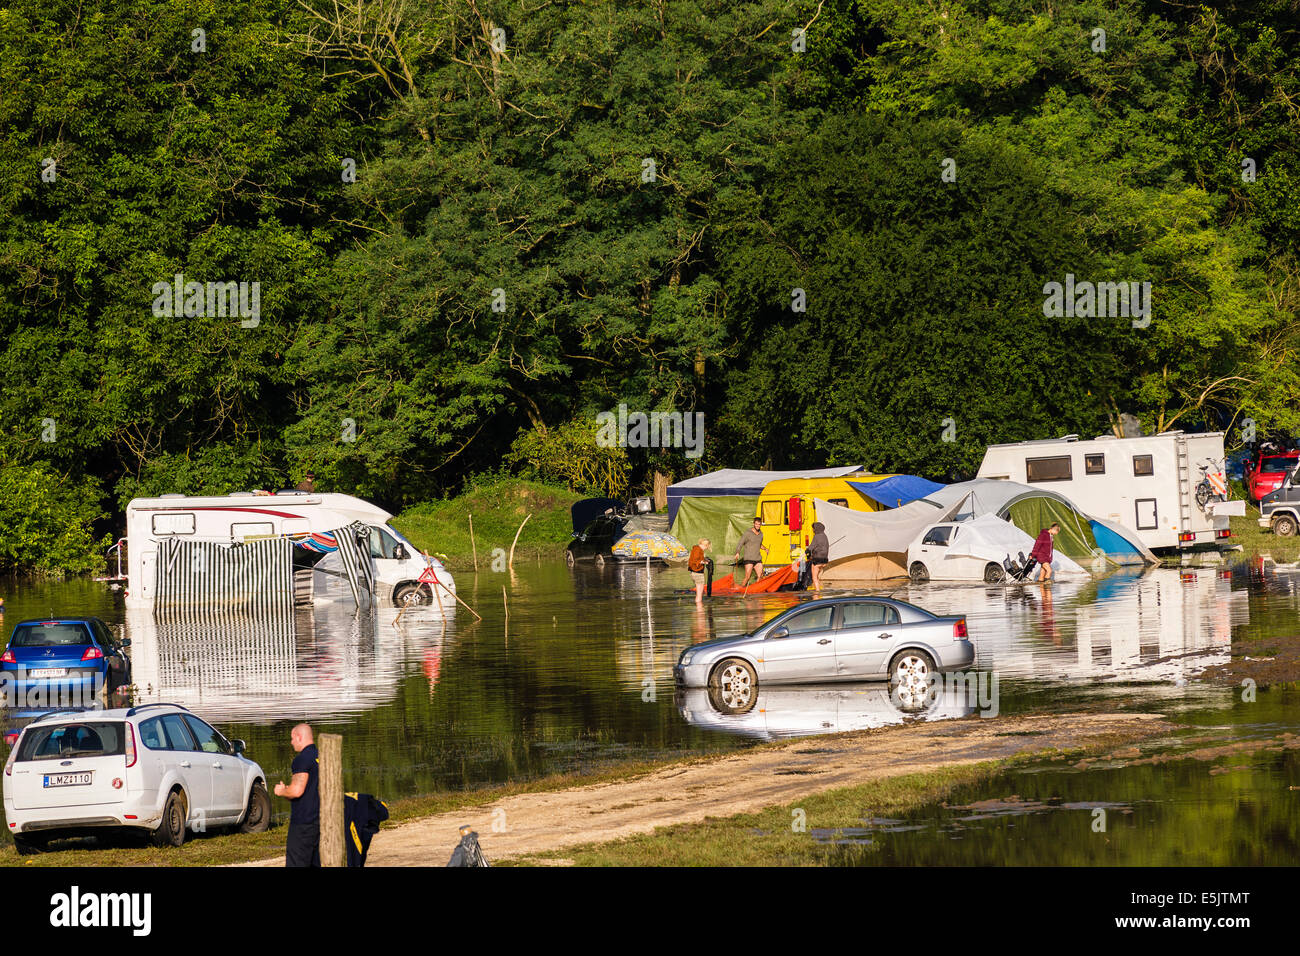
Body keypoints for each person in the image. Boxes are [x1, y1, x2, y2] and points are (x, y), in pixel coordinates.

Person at [274, 723, 320, 867]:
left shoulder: (302, 759)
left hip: (304, 823)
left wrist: (282, 791)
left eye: (292, 738)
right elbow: (310, 787)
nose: (291, 742)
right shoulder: (321, 756)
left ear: (299, 737)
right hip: (321, 822)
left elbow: (297, 791)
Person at [733, 517, 769, 589]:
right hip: (749, 558)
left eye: (759, 524)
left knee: (760, 576)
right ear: (754, 524)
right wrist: (737, 552)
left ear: (760, 524)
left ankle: (756, 589)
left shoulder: (761, 534)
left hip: (757, 558)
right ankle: (740, 590)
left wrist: (765, 549)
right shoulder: (748, 533)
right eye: (756, 524)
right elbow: (740, 543)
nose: (757, 526)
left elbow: (759, 544)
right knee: (747, 577)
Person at [688, 538, 712, 605]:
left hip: (694, 573)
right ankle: (699, 610)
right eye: (707, 547)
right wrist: (704, 562)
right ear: (706, 545)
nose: (706, 549)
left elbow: (696, 559)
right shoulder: (698, 550)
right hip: (698, 573)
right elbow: (696, 561)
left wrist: (704, 560)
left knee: (699, 593)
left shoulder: (696, 549)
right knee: (699, 594)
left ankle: (698, 609)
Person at [807, 521, 829, 592]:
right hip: (824, 561)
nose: (813, 530)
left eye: (814, 528)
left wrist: (807, 551)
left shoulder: (816, 536)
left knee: (814, 578)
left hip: (817, 560)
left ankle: (817, 593)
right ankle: (818, 589)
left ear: (817, 528)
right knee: (817, 577)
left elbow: (811, 547)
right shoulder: (825, 536)